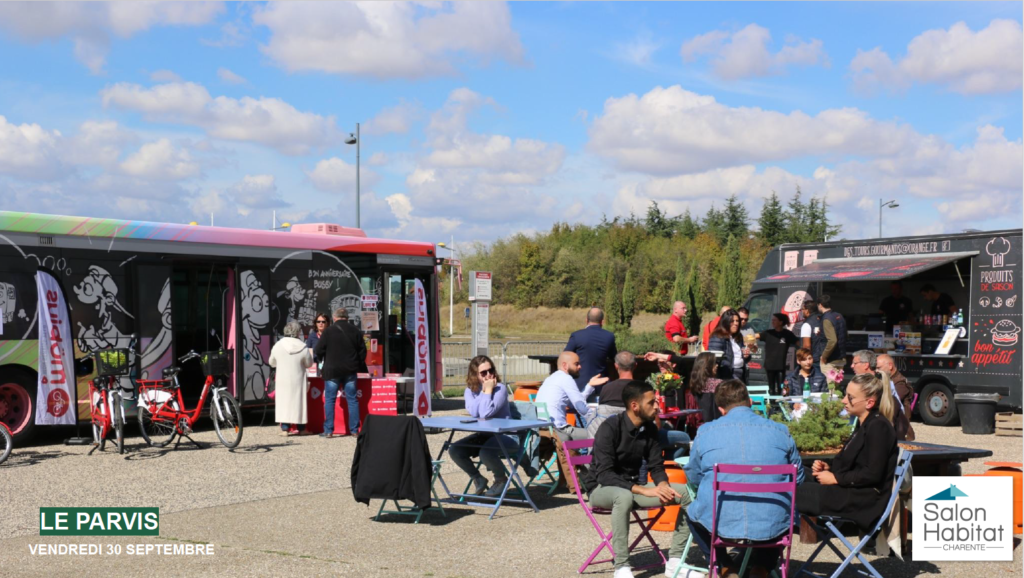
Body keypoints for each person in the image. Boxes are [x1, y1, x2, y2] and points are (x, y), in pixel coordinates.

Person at [684, 379, 804, 578]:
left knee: (693, 513)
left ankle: (724, 565)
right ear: (749, 401)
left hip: (720, 518)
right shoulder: (779, 430)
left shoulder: (705, 432)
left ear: (721, 409)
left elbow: (694, 475)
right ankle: (762, 567)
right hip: (773, 518)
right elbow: (797, 477)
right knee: (785, 508)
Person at [581, 381, 701, 578]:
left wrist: (662, 484)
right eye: (651, 402)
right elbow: (604, 474)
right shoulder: (610, 428)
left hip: (634, 488)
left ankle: (675, 563)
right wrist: (643, 489)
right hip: (602, 488)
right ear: (634, 406)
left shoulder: (650, 428)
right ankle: (621, 566)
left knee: (687, 493)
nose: (657, 406)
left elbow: (656, 465)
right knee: (623, 497)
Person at [796, 373, 898, 534]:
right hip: (847, 490)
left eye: (850, 397)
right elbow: (857, 463)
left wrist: (835, 478)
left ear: (869, 402)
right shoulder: (866, 423)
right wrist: (827, 468)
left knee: (783, 490)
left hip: (862, 500)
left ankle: (762, 551)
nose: (844, 400)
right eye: (845, 395)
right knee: (791, 473)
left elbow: (873, 473)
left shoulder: (879, 427)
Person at [448, 356, 522, 497]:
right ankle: (478, 478)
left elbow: (485, 413)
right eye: (483, 373)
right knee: (455, 450)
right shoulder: (470, 391)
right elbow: (474, 412)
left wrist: (487, 391)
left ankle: (501, 480)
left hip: (507, 435)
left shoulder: (500, 388)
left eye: (491, 370)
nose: (489, 375)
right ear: (475, 375)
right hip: (484, 435)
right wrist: (483, 392)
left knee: (486, 452)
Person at [314, 308, 367, 438]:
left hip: (332, 370)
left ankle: (328, 431)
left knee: (330, 400)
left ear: (334, 317)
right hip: (350, 370)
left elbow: (318, 350)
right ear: (347, 318)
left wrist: (323, 360)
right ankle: (354, 430)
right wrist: (356, 364)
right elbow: (363, 352)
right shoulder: (355, 331)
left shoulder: (328, 331)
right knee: (352, 400)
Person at [535, 351, 608, 441]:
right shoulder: (566, 378)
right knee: (602, 435)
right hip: (559, 431)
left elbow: (574, 403)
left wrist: (590, 385)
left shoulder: (550, 378)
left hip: (542, 428)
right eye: (576, 364)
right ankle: (588, 455)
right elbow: (581, 407)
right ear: (565, 365)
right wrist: (597, 422)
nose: (580, 367)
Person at [851, 350, 911, 441]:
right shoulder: (859, 382)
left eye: (855, 363)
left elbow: (895, 409)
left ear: (866, 365)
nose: (851, 366)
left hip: (882, 433)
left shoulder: (887, 384)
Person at [269, 321, 314, 436]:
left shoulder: (278, 345)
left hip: (282, 380)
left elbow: (271, 362)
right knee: (299, 403)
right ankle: (302, 428)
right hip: (298, 379)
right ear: (298, 332)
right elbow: (309, 364)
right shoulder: (303, 347)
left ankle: (285, 428)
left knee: (284, 403)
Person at [565, 307, 618, 396]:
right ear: (602, 321)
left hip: (580, 383)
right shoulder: (609, 336)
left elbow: (565, 356)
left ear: (586, 320)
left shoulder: (577, 336)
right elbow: (615, 358)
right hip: (601, 383)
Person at [757, 313, 799, 396]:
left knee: (781, 387)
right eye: (772, 320)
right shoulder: (768, 333)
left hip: (780, 366)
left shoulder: (787, 334)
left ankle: (781, 404)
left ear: (780, 322)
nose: (772, 321)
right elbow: (755, 336)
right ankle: (772, 406)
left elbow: (798, 343)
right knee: (771, 387)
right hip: (769, 365)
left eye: (774, 320)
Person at [877, 354, 915, 441]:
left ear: (890, 366)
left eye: (879, 367)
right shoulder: (886, 380)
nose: (877, 371)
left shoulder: (900, 383)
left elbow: (888, 401)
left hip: (900, 429)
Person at [708, 309, 750, 381]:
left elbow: (743, 357)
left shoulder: (738, 336)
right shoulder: (717, 337)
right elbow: (715, 359)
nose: (736, 323)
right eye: (732, 321)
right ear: (725, 322)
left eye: (737, 321)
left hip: (740, 373)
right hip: (727, 375)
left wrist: (746, 355)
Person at [813, 295, 847, 370]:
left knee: (829, 382)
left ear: (820, 305)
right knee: (836, 381)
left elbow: (832, 341)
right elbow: (844, 334)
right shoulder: (839, 315)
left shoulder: (826, 319)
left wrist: (824, 356)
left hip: (831, 360)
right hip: (841, 357)